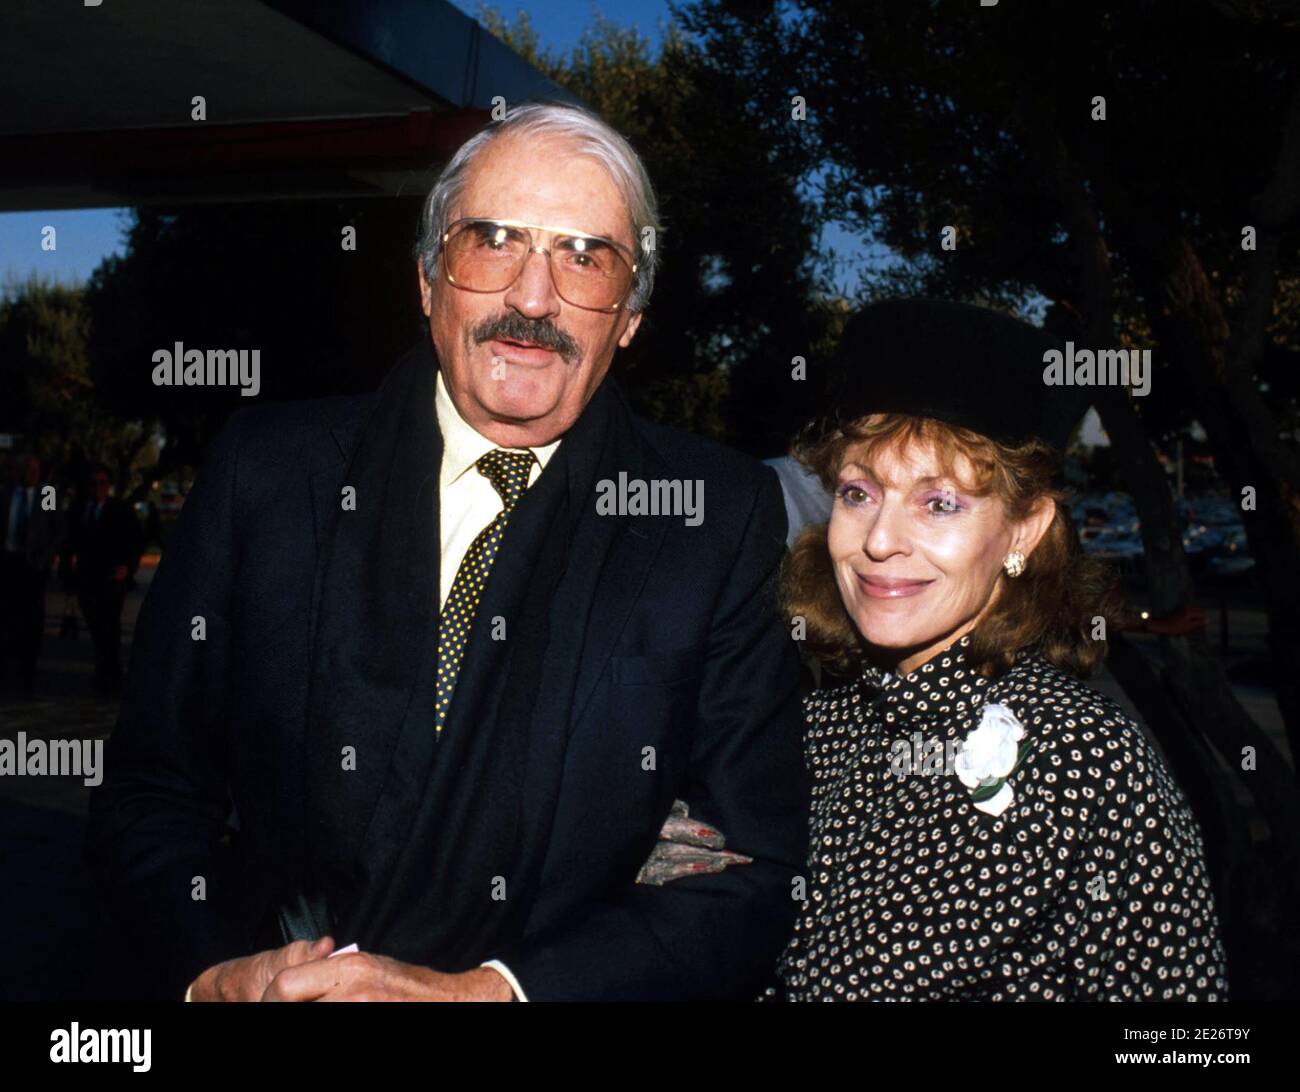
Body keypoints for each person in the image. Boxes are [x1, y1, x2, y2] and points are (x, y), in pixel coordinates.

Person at [84, 102, 809, 1002]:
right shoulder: (270, 475)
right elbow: (152, 791)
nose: (533, 299)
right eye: (493, 240)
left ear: (628, 318)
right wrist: (210, 977)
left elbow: (751, 872)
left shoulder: (712, 516)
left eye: (586, 257)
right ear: (427, 278)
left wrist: (492, 994)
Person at [645, 300, 1228, 1000]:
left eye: (940, 503)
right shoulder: (812, 726)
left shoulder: (1089, 760)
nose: (880, 539)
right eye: (859, 493)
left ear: (1024, 529)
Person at [68, 464, 142, 695]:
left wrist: (127, 568)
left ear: (108, 486)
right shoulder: (78, 509)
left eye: (102, 483)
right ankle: (103, 671)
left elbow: (135, 541)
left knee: (110, 628)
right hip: (86, 579)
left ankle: (112, 676)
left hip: (111, 580)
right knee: (95, 628)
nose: (97, 488)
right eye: (93, 483)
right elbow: (68, 541)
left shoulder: (121, 510)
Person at [0, 454, 62, 693]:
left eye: (35, 469)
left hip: (33, 565)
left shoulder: (47, 494)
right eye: (26, 469)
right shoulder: (6, 493)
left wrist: (45, 557)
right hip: (8, 561)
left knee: (31, 619)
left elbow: (57, 530)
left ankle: (28, 669)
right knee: (6, 616)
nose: (30, 474)